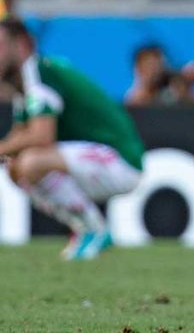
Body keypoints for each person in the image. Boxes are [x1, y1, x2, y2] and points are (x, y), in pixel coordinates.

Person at [0, 18, 144, 261]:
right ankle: (86, 230)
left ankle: (95, 229)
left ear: (22, 44)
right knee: (15, 167)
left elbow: (41, 136)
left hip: (120, 159)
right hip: (88, 159)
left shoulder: (41, 70)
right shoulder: (23, 84)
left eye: (1, 45)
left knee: (32, 161)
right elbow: (17, 137)